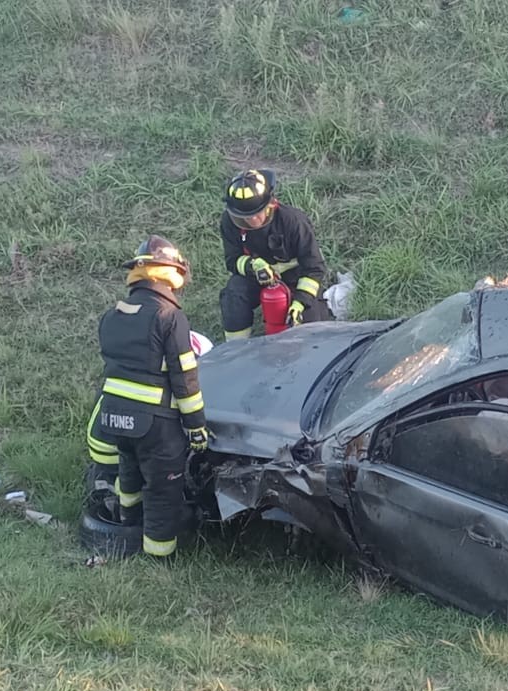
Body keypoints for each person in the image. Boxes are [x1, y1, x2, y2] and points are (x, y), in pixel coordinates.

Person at [93, 235, 208, 560]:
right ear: (170, 274)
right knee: (162, 490)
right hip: (155, 425)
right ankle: (158, 560)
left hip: (114, 417)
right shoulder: (169, 317)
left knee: (128, 477)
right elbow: (185, 377)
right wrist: (196, 426)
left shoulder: (112, 315)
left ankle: (128, 528)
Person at [219, 169, 330, 340]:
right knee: (233, 295)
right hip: (256, 277)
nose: (251, 221)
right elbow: (232, 260)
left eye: (256, 214)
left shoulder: (293, 221)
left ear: (270, 204)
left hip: (295, 279)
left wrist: (301, 302)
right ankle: (237, 350)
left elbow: (314, 268)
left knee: (312, 328)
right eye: (245, 217)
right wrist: (252, 265)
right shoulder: (229, 221)